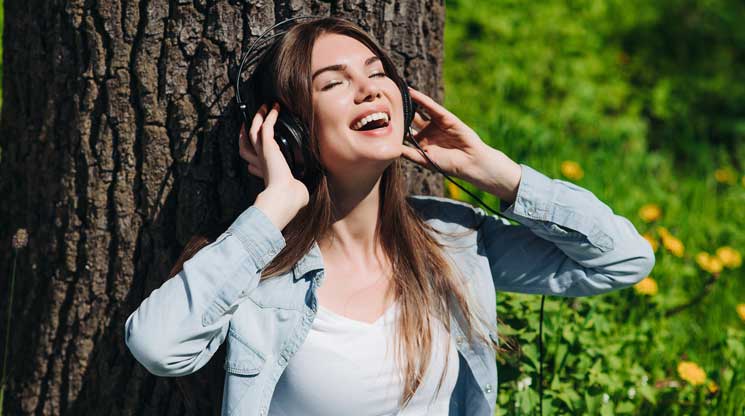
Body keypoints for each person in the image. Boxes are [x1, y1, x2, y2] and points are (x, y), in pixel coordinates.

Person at [124, 16, 656, 416]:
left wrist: (496, 172)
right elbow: (157, 345)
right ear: (288, 132)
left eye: (378, 74)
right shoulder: (254, 273)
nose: (369, 88)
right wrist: (274, 207)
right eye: (334, 83)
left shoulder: (454, 242)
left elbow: (623, 260)